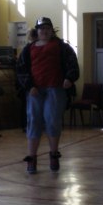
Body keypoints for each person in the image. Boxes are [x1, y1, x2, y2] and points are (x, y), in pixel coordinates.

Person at [16, 16, 79, 173]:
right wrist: (29, 86)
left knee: (52, 121)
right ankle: (32, 158)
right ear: (37, 31)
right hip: (35, 91)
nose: (44, 31)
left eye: (47, 28)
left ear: (52, 30)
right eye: (41, 29)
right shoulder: (28, 49)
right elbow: (21, 70)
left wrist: (69, 78)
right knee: (33, 121)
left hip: (55, 89)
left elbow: (73, 64)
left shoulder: (62, 47)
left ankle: (53, 154)